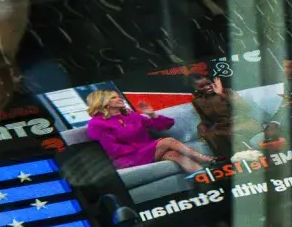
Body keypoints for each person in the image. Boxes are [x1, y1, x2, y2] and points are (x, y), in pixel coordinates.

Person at [83, 89, 211, 174]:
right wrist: (150, 147)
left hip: (146, 151)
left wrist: (152, 114)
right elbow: (111, 149)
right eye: (114, 98)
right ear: (103, 102)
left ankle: (204, 176)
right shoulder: (96, 124)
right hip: (127, 159)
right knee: (168, 142)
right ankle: (206, 160)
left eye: (119, 96)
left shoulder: (129, 115)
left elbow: (166, 125)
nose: (120, 98)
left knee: (174, 154)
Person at [189, 71, 262, 159]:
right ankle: (226, 160)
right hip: (223, 128)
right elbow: (206, 120)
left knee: (231, 133)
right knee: (210, 135)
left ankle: (250, 156)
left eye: (208, 83)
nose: (207, 87)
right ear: (195, 87)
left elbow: (246, 107)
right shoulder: (197, 101)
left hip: (244, 123)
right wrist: (202, 127)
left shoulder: (227, 91)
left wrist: (221, 94)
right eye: (201, 86)